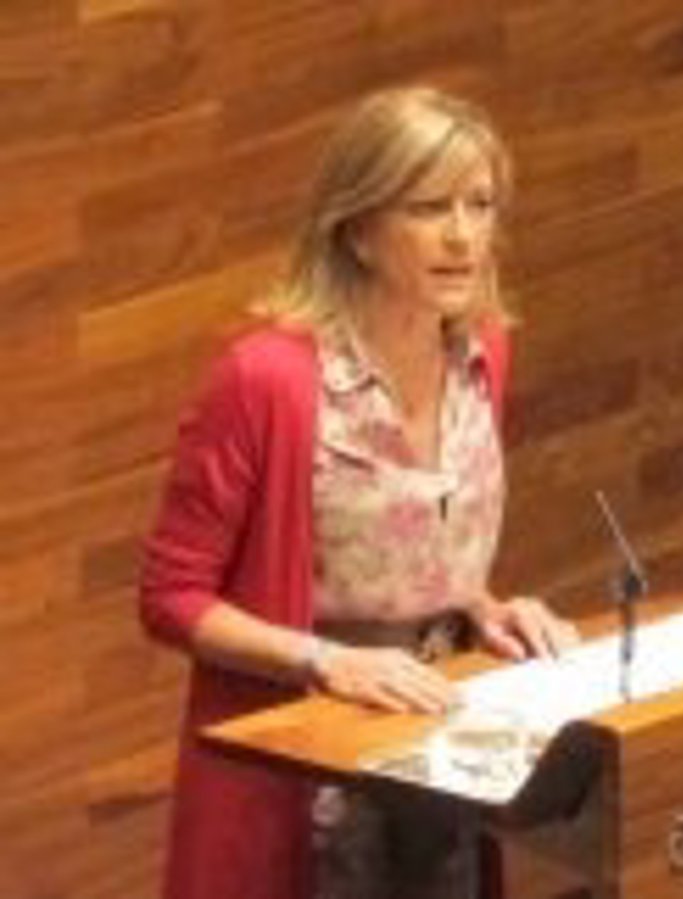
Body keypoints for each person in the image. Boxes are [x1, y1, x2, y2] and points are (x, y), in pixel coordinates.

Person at [140, 86, 579, 899]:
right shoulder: (265, 379)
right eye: (429, 208)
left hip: (442, 751)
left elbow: (411, 540)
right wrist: (328, 659)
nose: (463, 236)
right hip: (308, 770)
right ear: (359, 229)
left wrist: (485, 608)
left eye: (480, 205)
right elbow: (170, 598)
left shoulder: (484, 353)